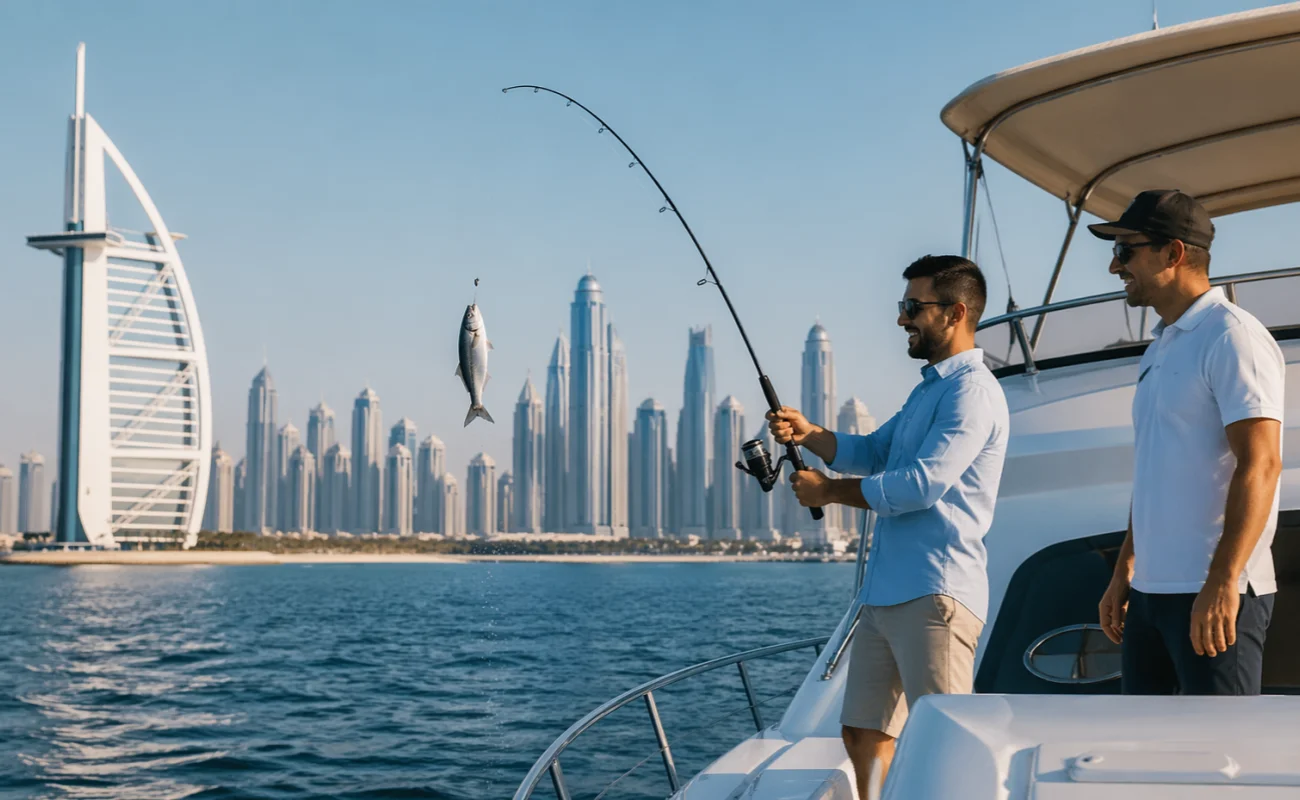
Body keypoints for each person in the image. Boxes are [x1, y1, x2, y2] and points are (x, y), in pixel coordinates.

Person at [767, 254, 1008, 796]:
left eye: (912, 307)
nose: (901, 318)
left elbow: (921, 486)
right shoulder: (931, 389)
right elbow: (874, 451)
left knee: (946, 738)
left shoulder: (971, 392)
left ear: (954, 313)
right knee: (863, 729)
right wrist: (809, 434)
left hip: (935, 591)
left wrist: (828, 491)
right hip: (887, 593)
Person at [1093, 189, 1283, 695]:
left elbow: (1261, 464)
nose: (1115, 266)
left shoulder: (1231, 336)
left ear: (1173, 253)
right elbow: (1156, 469)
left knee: (1223, 763)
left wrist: (1223, 580)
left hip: (1212, 592)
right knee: (1146, 754)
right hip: (1151, 595)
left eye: (1125, 250)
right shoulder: (1162, 346)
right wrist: (1124, 569)